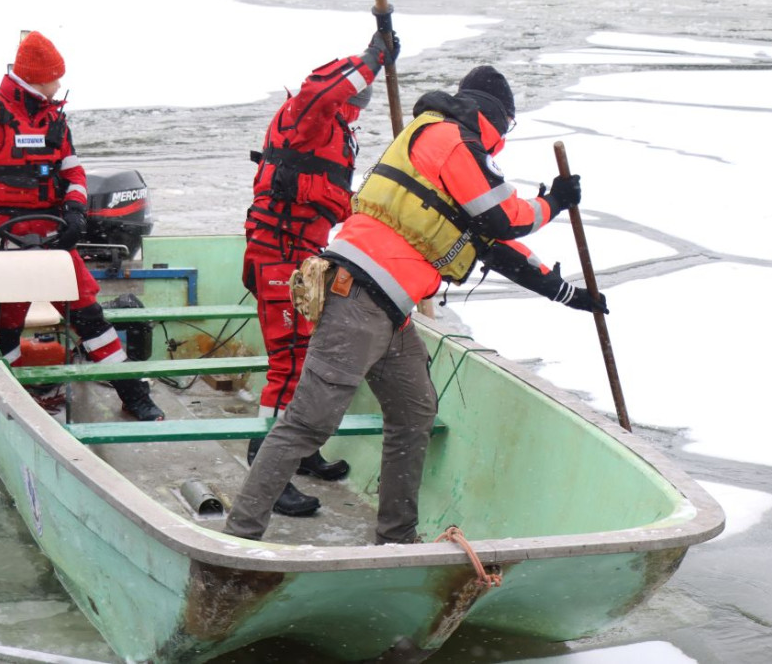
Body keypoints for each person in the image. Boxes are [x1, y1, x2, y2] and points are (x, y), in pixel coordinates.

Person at [224, 65, 607, 544]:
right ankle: (238, 536)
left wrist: (567, 293)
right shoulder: (449, 139)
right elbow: (504, 217)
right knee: (308, 423)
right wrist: (552, 203)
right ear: (499, 118)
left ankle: (396, 537)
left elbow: (495, 244)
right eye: (508, 126)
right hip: (356, 297)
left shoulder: (454, 152)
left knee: (414, 411)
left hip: (391, 311)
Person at [0, 30, 164, 422]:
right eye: (55, 76)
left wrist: (75, 212)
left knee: (90, 318)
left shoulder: (55, 120)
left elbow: (74, 173)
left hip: (53, 240)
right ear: (38, 77)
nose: (59, 84)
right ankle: (15, 397)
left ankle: (132, 391)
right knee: (5, 328)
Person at [242, 30, 397, 517]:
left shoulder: (341, 128)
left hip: (307, 257)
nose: (359, 105)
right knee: (287, 363)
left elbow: (328, 193)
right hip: (276, 255)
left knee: (308, 358)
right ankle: (265, 462)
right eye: (359, 93)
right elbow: (324, 88)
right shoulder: (307, 113)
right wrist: (374, 56)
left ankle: (300, 450)